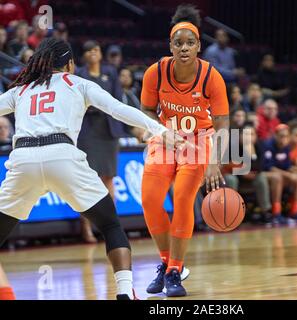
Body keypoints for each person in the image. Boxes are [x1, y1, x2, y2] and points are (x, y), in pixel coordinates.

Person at [0, 38, 185, 300]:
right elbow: (118, 109)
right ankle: (124, 292)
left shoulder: (21, 90)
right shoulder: (78, 84)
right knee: (110, 224)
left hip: (23, 159)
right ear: (70, 64)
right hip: (62, 155)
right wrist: (160, 130)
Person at [140, 4, 229, 297]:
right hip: (166, 138)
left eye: (190, 43)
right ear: (170, 46)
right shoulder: (156, 72)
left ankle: (175, 270)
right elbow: (147, 111)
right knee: (151, 200)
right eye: (178, 43)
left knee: (182, 199)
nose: (184, 48)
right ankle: (166, 264)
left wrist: (215, 161)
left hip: (199, 141)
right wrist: (160, 132)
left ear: (199, 46)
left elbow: (222, 122)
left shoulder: (211, 76)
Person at [76, 40, 126, 243]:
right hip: (87, 132)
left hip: (108, 132)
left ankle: (111, 227)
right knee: (88, 181)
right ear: (84, 56)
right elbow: (78, 102)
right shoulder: (78, 74)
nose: (93, 53)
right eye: (88, 51)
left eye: (96, 49)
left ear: (100, 53)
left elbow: (117, 99)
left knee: (109, 179)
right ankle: (86, 228)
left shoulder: (111, 72)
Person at [262, 124, 297, 224]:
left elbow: (287, 166)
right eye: (281, 136)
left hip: (281, 174)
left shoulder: (286, 147)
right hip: (265, 174)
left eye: (286, 136)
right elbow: (269, 167)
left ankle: (295, 212)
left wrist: (296, 172)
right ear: (275, 135)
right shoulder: (267, 145)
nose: (283, 139)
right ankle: (276, 213)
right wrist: (289, 175)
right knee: (278, 178)